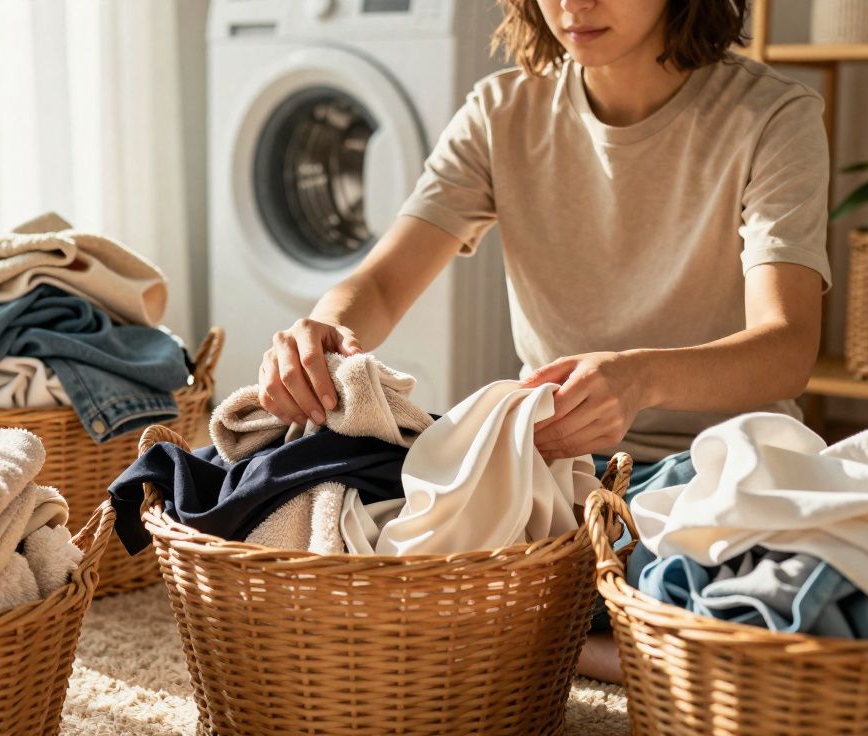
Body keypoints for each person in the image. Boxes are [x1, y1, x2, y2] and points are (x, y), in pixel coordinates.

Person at [255, 0, 830, 682]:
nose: (573, 5)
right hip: (556, 478)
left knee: (803, 581)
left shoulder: (770, 115)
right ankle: (609, 638)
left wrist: (641, 379)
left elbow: (788, 347)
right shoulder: (503, 111)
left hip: (712, 471)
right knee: (309, 499)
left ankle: (541, 635)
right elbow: (381, 286)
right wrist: (324, 331)